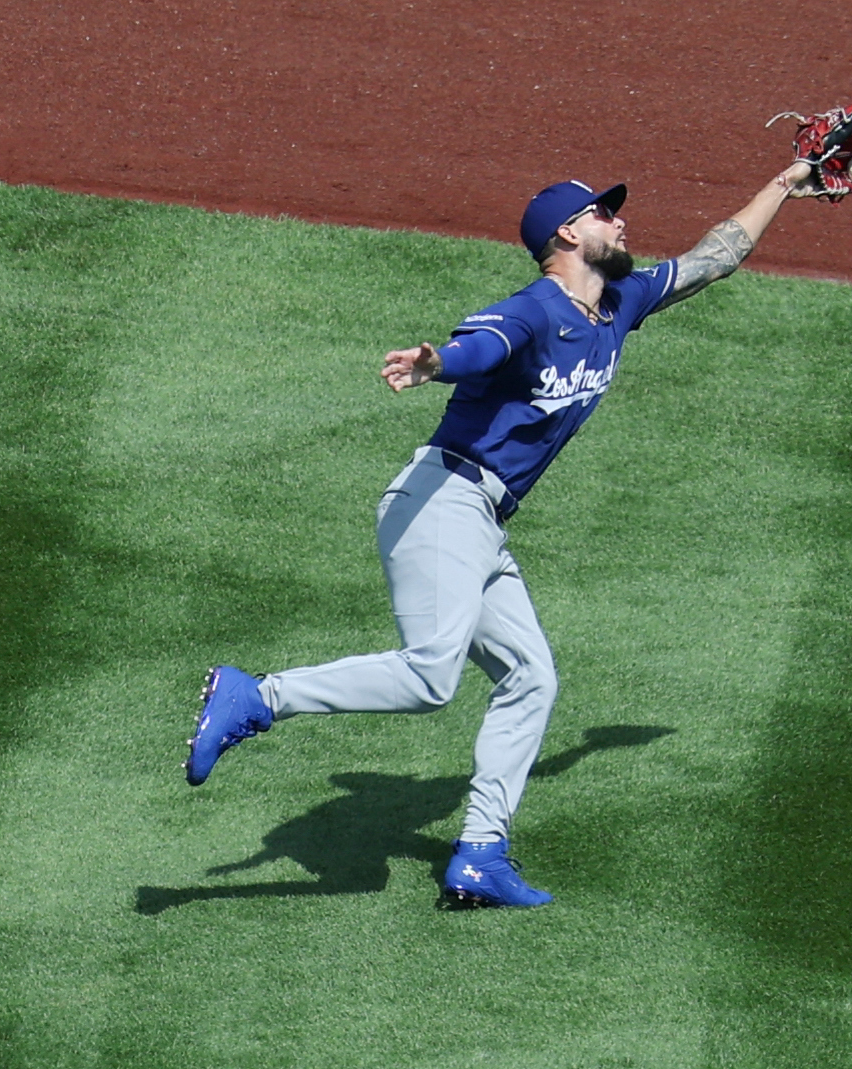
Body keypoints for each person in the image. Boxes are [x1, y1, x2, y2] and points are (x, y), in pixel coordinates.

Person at [184, 156, 817, 907]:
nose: (622, 222)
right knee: (430, 676)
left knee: (530, 677)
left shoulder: (617, 303)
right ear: (567, 231)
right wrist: (437, 363)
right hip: (440, 499)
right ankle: (257, 696)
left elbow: (716, 258)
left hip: (480, 519)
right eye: (604, 212)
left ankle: (481, 851)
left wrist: (786, 183)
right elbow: (482, 347)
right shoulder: (532, 309)